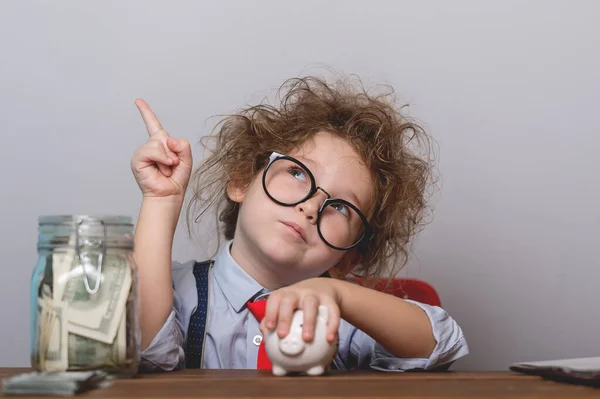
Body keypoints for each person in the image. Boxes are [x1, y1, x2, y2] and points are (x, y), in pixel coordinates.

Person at [130, 75, 468, 372]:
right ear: (242, 181)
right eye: (296, 172)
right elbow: (150, 355)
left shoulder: (345, 317)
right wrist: (161, 200)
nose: (311, 207)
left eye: (342, 207)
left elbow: (440, 344)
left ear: (349, 258)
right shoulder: (173, 291)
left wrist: (337, 294)